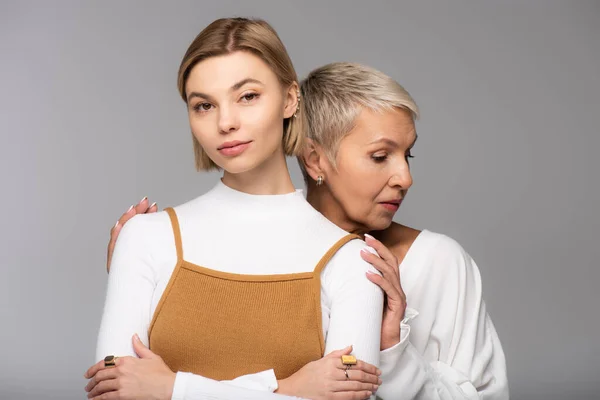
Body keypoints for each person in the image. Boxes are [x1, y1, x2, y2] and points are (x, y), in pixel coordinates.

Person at [98, 61, 510, 399]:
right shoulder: (226, 248)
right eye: (381, 156)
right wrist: (141, 272)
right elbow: (123, 380)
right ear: (314, 160)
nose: (405, 177)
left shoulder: (437, 262)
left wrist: (394, 351)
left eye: (408, 154)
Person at [84, 18, 389, 400]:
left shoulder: (352, 259)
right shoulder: (144, 237)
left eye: (247, 96)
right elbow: (114, 392)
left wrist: (172, 388)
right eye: (204, 105)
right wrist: (288, 388)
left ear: (290, 99)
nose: (225, 122)